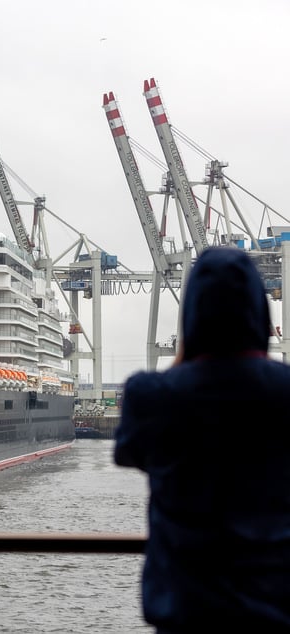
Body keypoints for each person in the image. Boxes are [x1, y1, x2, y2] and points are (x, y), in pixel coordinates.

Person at [115, 246, 290, 632]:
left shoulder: (152, 396)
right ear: (259, 314)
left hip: (187, 615)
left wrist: (186, 360)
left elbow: (131, 451)